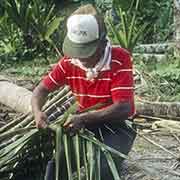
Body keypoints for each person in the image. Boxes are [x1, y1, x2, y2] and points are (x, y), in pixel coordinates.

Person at [31, 4, 136, 180]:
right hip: (84, 124)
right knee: (56, 166)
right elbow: (40, 90)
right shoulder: (69, 62)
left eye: (87, 51)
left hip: (118, 125)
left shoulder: (120, 58)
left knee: (103, 169)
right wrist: (37, 112)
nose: (81, 57)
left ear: (102, 43)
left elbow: (123, 108)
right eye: (77, 51)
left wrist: (85, 118)